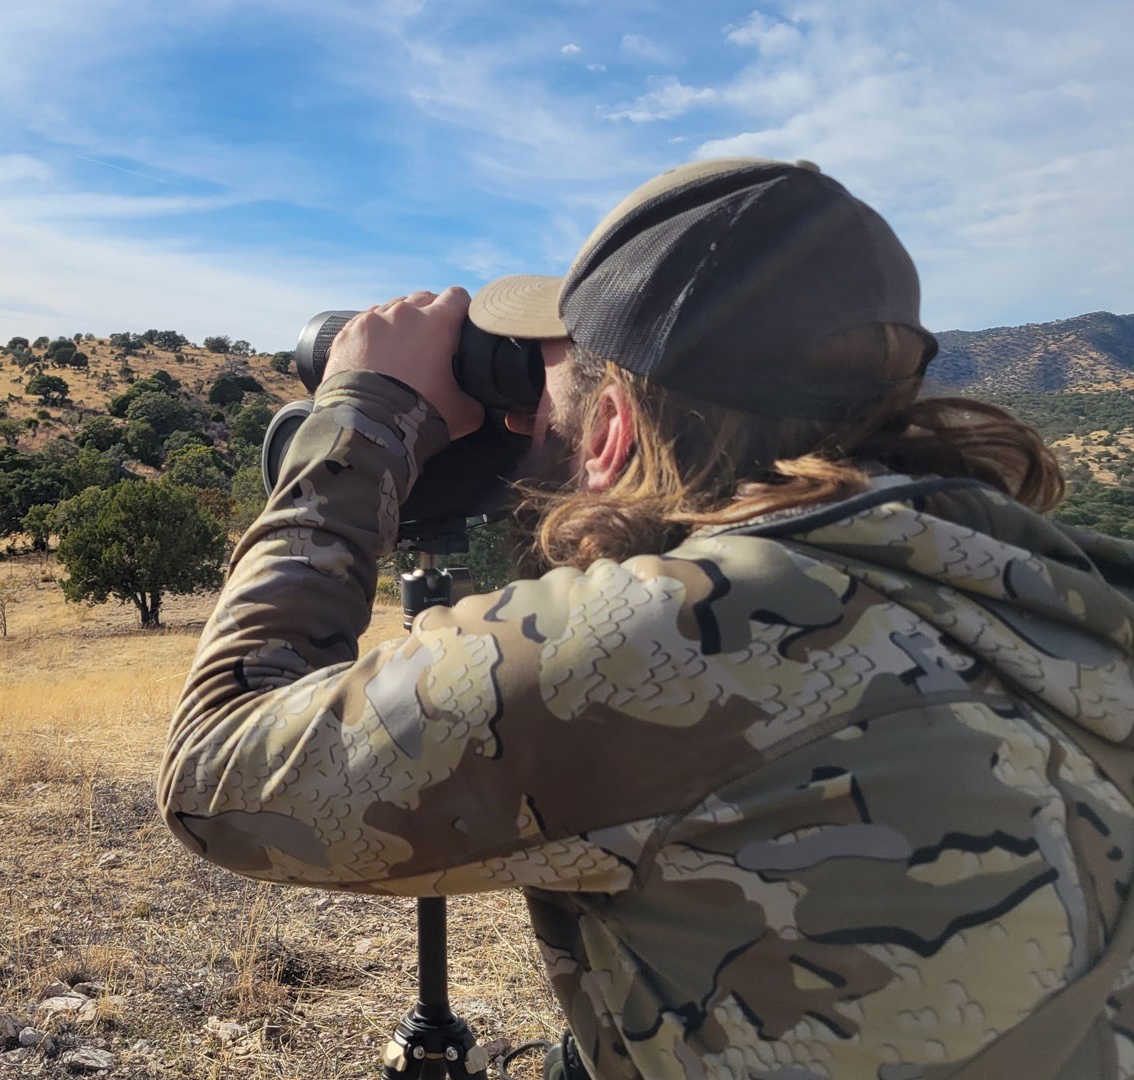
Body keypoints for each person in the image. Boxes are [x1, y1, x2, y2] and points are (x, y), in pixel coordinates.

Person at [161, 157, 1134, 1078]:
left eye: (545, 387)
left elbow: (219, 776)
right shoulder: (1050, 585)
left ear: (616, 427)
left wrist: (365, 419)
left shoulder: (679, 637)